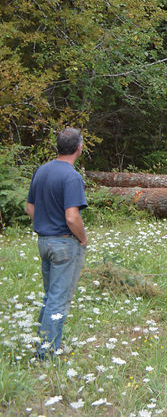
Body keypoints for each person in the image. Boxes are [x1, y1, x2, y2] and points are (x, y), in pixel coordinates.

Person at [25, 128, 88, 360]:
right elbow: (72, 217)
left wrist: (45, 224)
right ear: (79, 148)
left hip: (43, 242)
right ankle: (46, 353)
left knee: (50, 296)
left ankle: (42, 343)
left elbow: (29, 207)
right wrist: (82, 238)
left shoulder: (42, 171)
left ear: (57, 147)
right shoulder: (71, 177)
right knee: (58, 300)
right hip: (63, 244)